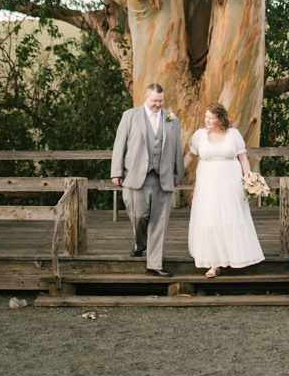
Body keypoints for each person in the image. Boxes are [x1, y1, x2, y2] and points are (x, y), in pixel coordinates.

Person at [111, 83, 184, 277]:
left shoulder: (171, 119)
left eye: (161, 101)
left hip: (163, 177)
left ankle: (154, 265)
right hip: (135, 175)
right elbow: (119, 145)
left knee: (159, 221)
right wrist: (116, 172)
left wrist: (178, 174)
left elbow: (177, 147)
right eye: (154, 101)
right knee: (139, 215)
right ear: (146, 97)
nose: (158, 104)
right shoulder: (130, 116)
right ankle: (140, 243)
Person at [184, 102, 265, 278]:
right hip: (207, 184)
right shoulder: (199, 135)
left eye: (211, 118)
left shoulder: (233, 135)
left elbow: (243, 158)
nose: (207, 121)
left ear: (220, 119)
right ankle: (213, 263)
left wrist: (249, 178)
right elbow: (190, 155)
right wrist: (175, 174)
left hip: (230, 183)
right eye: (206, 117)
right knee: (210, 218)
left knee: (230, 216)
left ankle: (234, 256)